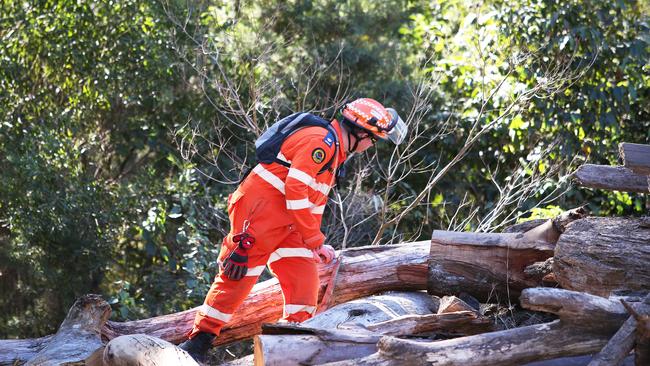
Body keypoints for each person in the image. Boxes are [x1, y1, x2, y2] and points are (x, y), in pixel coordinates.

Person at [179, 98, 407, 361]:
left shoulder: (334, 152)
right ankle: (198, 343)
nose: (370, 147)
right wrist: (314, 239)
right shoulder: (321, 142)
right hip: (260, 215)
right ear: (360, 133)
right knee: (238, 279)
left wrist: (315, 243)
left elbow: (311, 203)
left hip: (289, 224)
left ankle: (288, 345)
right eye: (373, 140)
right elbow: (295, 189)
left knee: (304, 281)